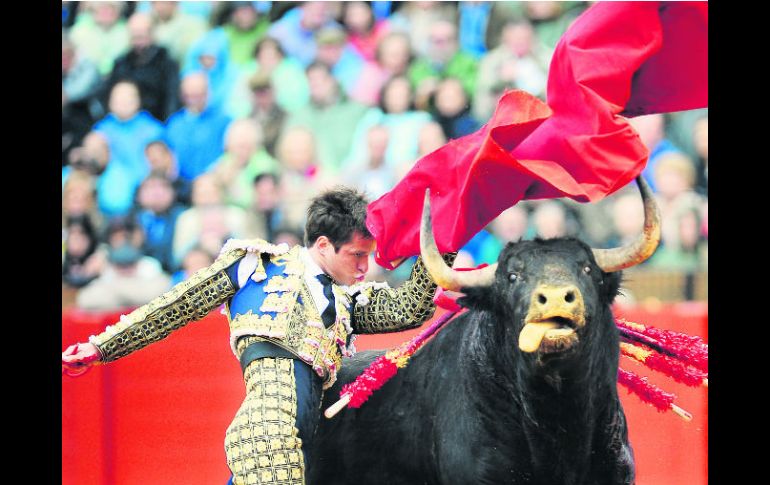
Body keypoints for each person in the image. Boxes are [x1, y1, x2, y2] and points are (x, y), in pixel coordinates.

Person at [63, 186, 455, 484]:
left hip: (311, 445)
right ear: (322, 245)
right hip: (267, 433)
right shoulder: (257, 267)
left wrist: (449, 229)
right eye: (356, 255)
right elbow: (174, 306)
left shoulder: (348, 301)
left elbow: (409, 308)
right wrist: (101, 345)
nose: (365, 267)